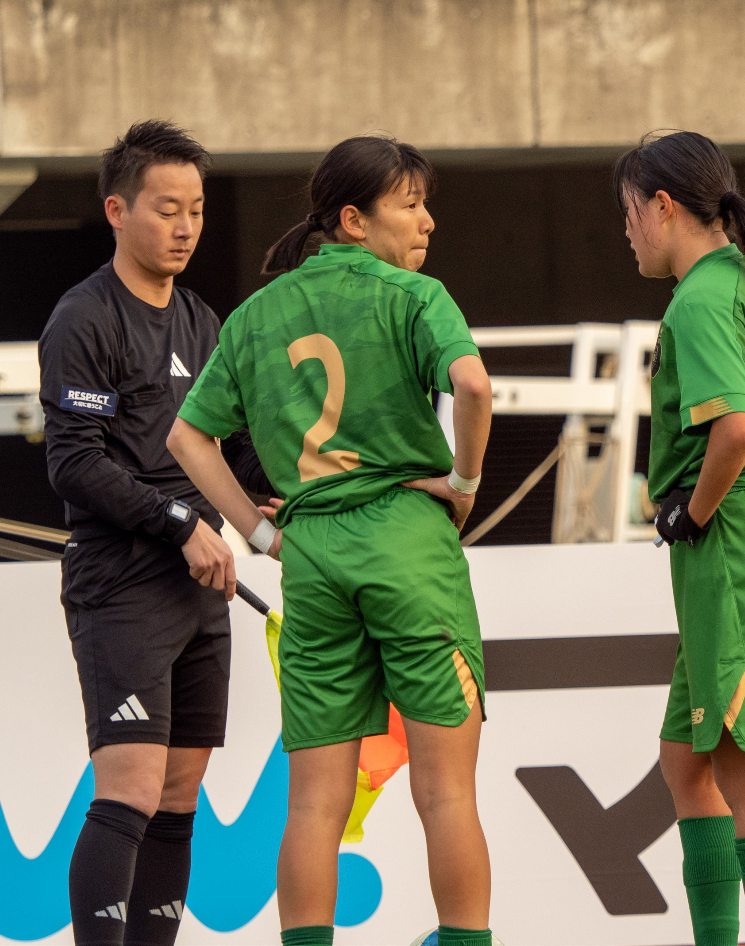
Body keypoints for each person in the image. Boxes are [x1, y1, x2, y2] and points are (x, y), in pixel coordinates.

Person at [166, 136, 497, 946]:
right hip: (407, 541)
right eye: (408, 203)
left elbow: (187, 437)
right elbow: (475, 386)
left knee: (314, 799)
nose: (426, 220)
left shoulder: (254, 314)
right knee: (446, 794)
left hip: (309, 553)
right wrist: (461, 485)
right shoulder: (416, 295)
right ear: (353, 219)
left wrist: (259, 532)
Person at [38, 120, 274, 946]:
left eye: (197, 210)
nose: (184, 227)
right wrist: (178, 521)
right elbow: (73, 464)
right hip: (121, 581)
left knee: (179, 797)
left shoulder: (204, 321)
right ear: (117, 209)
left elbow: (232, 448)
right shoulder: (83, 318)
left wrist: (280, 493)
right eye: (167, 208)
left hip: (200, 583)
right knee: (130, 790)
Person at [615, 131, 745, 946]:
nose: (627, 231)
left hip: (740, 537)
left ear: (662, 206)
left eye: (630, 213)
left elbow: (734, 426)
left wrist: (692, 512)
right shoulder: (740, 277)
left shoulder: (700, 295)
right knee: (685, 758)